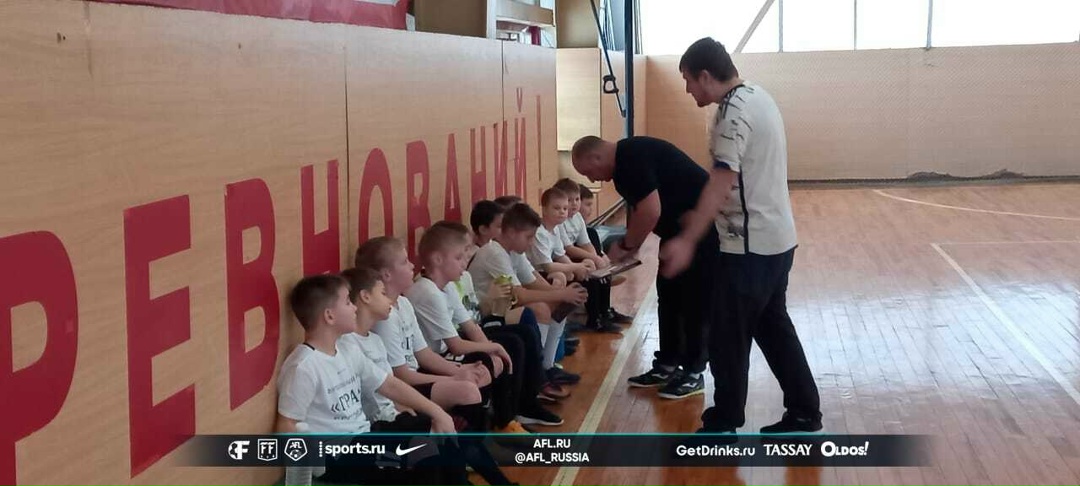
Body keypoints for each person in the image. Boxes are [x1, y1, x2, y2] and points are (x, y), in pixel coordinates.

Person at [660, 37, 822, 434]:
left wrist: (688, 238)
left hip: (750, 248)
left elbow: (722, 179)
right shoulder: (757, 96)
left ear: (705, 75)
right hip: (777, 241)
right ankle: (804, 413)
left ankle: (723, 423)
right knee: (773, 328)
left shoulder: (733, 114)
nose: (687, 90)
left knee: (727, 338)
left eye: (688, 80)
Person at [276, 274, 465, 486]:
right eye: (347, 302)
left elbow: (389, 384)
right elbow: (287, 423)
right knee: (422, 450)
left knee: (441, 430)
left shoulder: (347, 349)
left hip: (365, 437)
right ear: (329, 316)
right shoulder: (303, 366)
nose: (354, 308)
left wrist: (437, 412)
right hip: (337, 456)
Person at [340, 267, 518, 486]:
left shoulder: (374, 340)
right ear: (365, 297)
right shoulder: (348, 346)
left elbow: (389, 385)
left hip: (393, 414)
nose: (389, 300)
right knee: (441, 435)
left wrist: (409, 408)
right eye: (382, 293)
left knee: (451, 431)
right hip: (378, 426)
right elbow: (384, 389)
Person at [572, 134, 718, 400]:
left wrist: (627, 245)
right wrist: (634, 244)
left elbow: (651, 211)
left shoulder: (630, 159)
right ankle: (667, 364)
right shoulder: (625, 163)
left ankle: (693, 372)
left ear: (596, 157)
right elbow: (644, 210)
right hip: (677, 234)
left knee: (694, 301)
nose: (592, 179)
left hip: (701, 232)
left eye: (588, 171)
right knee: (670, 297)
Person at [468, 203, 586, 398]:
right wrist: (561, 294)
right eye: (529, 237)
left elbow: (533, 282)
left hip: (502, 307)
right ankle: (537, 376)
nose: (531, 243)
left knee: (558, 303)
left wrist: (564, 294)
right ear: (512, 233)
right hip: (484, 314)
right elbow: (519, 295)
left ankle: (547, 367)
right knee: (540, 309)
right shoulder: (494, 252)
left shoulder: (515, 251)